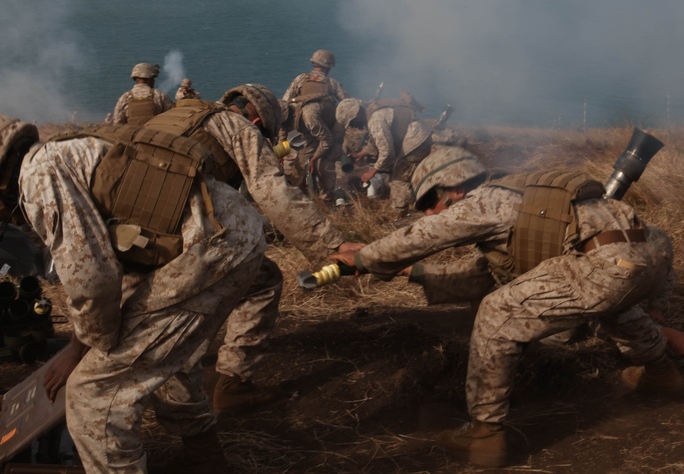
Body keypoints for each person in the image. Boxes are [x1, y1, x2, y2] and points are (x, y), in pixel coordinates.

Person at [1, 83, 350, 473]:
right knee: (164, 355)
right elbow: (110, 260)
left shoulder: (39, 178)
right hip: (199, 243)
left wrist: (79, 349)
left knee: (92, 394)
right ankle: (205, 456)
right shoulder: (62, 152)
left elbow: (93, 279)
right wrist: (87, 340)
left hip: (211, 247)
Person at [328, 147, 684, 468]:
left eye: (431, 202)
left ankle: (485, 435)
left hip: (607, 264)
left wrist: (364, 258)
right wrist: (413, 273)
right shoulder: (524, 197)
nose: (430, 213)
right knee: (608, 302)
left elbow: (425, 236)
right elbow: (480, 276)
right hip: (646, 257)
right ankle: (662, 375)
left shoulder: (487, 200)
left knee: (498, 313)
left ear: (455, 187)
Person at [337, 94, 433, 211]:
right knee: (410, 173)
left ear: (356, 115)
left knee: (399, 178)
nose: (354, 127)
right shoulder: (371, 110)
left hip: (417, 141)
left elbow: (387, 153)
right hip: (420, 135)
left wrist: (372, 172)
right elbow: (378, 140)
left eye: (352, 123)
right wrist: (362, 153)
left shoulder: (375, 120)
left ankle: (400, 210)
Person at [281, 49, 349, 208]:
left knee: (292, 160)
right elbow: (347, 104)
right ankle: (326, 201)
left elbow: (285, 104)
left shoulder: (300, 79)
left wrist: (282, 137)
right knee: (325, 164)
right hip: (323, 132)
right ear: (329, 67)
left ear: (314, 63)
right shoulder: (332, 83)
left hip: (297, 130)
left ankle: (298, 197)